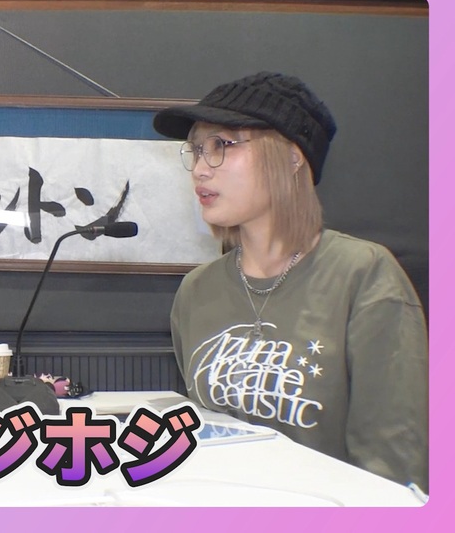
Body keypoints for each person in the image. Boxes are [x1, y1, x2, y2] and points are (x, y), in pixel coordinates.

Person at [153, 72, 428, 491]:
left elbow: (393, 466)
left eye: (221, 146)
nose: (201, 170)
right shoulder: (197, 291)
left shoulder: (363, 275)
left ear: (293, 157)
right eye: (196, 150)